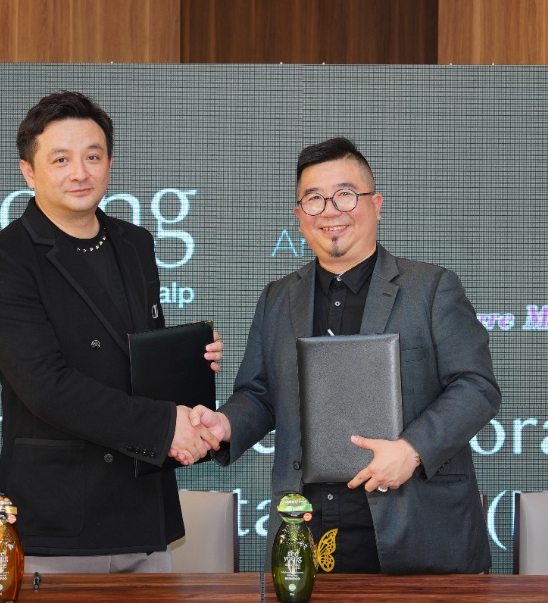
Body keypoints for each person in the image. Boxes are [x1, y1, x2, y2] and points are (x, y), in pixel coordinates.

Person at [192, 137, 501, 574]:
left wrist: (412, 450)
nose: (330, 211)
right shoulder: (278, 298)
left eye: (345, 195)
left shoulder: (431, 288)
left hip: (416, 524)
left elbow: (476, 387)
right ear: (299, 216)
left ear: (377, 204)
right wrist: (225, 425)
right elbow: (259, 395)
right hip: (308, 524)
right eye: (314, 199)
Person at [0, 91, 223, 573]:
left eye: (93, 156)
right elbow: (46, 387)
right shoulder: (2, 261)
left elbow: (138, 358)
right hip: (61, 515)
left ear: (109, 162)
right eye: (60, 159)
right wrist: (164, 425)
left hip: (144, 504)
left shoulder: (135, 243)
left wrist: (189, 365)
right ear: (29, 172)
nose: (80, 172)